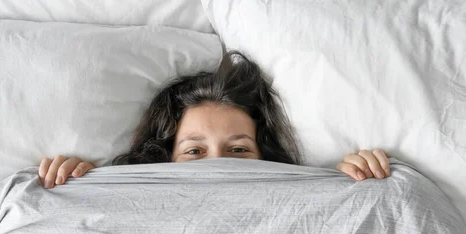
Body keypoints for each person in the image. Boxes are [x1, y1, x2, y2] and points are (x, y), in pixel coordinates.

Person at [39, 51, 391, 189]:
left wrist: (354, 183)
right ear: (166, 157)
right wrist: (74, 186)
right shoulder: (131, 192)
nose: (218, 164)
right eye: (194, 151)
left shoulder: (293, 190)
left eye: (239, 149)